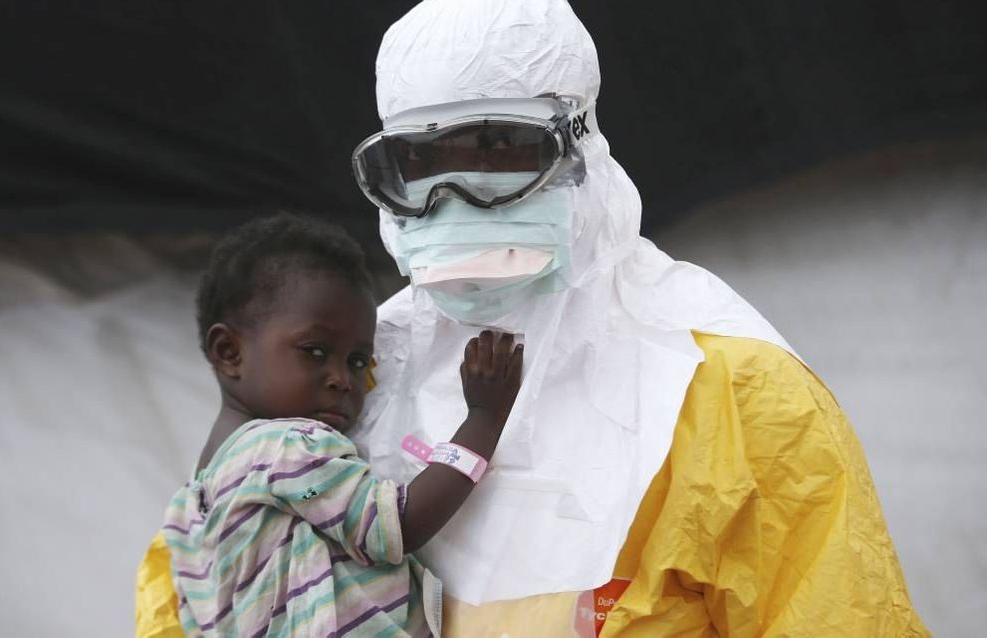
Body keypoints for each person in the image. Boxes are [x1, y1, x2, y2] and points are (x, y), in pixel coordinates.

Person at [346, 0, 928, 635]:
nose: (455, 201)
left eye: (498, 149)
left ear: (580, 148)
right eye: (419, 166)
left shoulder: (733, 390)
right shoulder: (362, 367)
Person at [137, 213, 522, 637]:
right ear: (229, 352)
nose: (342, 378)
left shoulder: (192, 504)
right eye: (315, 351)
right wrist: (483, 420)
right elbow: (398, 524)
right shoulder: (287, 446)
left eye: (358, 361)